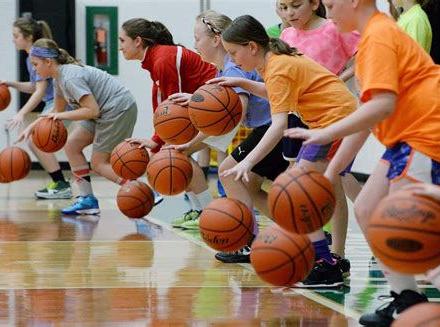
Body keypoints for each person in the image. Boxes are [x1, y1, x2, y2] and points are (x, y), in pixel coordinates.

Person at [286, 0, 440, 325]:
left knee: (413, 230)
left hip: (428, 134)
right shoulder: (372, 36)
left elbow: (382, 107)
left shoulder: (378, 36)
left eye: (331, 5)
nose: (328, 15)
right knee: (367, 208)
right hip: (406, 137)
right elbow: (366, 110)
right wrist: (329, 174)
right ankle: (407, 298)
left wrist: (325, 133)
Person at [214, 15, 357, 287]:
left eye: (233, 52)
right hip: (333, 119)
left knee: (300, 191)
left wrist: (249, 162)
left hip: (334, 120)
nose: (232, 59)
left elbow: (278, 125)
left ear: (252, 47)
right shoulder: (274, 62)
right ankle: (331, 259)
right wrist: (243, 84)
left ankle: (325, 263)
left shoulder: (277, 67)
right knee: (305, 190)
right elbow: (276, 93)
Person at [169, 12, 288, 265]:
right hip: (272, 126)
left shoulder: (234, 67)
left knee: (228, 172)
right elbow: (225, 105)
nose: (194, 45)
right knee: (250, 187)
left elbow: (233, 114)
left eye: (197, 38)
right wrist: (195, 102)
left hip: (274, 127)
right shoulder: (227, 67)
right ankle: (303, 233)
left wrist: (190, 146)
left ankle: (248, 242)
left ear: (216, 40)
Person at [279, 0, 363, 272]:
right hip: (302, 117)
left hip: (333, 117)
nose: (289, 13)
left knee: (327, 184)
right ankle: (321, 249)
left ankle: (336, 253)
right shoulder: (286, 35)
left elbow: (362, 55)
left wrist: (341, 77)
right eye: (283, 7)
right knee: (315, 184)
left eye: (295, 6)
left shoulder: (332, 29)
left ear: (314, 4)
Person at [16, 38, 138, 215]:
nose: (34, 69)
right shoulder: (58, 78)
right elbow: (56, 112)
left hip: (117, 108)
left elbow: (92, 110)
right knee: (72, 145)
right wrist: (32, 127)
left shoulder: (70, 77)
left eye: (35, 64)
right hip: (103, 111)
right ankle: (87, 200)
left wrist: (60, 115)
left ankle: (140, 189)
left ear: (48, 62)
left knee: (98, 163)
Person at [119, 18, 217, 206]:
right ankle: (198, 211)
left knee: (179, 154)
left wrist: (160, 144)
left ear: (138, 41)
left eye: (122, 41)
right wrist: (155, 141)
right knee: (176, 152)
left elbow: (175, 110)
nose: (120, 47)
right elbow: (165, 110)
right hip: (208, 105)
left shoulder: (163, 59)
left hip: (219, 105)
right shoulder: (157, 58)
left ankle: (206, 210)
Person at [0, 17, 71, 199]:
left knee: (35, 140)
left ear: (28, 37)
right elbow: (33, 86)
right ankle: (60, 183)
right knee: (36, 141)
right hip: (53, 102)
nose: (13, 39)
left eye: (15, 35)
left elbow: (40, 90)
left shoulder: (35, 56)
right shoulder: (31, 57)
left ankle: (61, 184)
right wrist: (10, 84)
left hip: (60, 103)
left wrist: (21, 114)